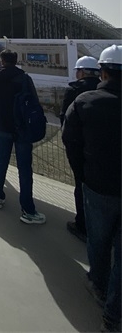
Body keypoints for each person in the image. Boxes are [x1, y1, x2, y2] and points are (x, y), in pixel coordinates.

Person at [62, 45, 121, 333]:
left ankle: (98, 285)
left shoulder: (85, 101)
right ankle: (113, 315)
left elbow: (69, 139)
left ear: (103, 72)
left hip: (98, 186)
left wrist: (82, 173)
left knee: (98, 241)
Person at [0, 49, 46, 224]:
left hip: (1, 126)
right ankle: (27, 209)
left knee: (1, 161)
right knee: (24, 168)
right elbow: (33, 101)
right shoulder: (23, 78)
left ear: (1, 60)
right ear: (16, 61)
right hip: (21, 128)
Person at [60, 55, 101, 242]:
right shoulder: (103, 89)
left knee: (81, 185)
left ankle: (82, 225)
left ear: (81, 72)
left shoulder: (74, 91)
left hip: (79, 147)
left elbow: (65, 118)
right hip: (105, 149)